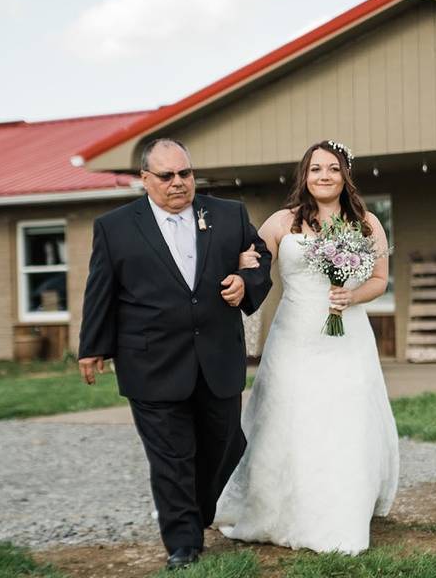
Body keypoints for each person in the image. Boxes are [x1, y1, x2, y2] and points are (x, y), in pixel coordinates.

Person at [76, 139, 272, 570]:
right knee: (171, 455)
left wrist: (244, 282)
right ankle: (183, 542)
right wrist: (92, 346)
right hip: (151, 360)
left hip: (217, 356)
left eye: (185, 173)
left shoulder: (228, 214)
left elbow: (260, 259)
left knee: (224, 444)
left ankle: (198, 512)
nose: (179, 183)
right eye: (167, 176)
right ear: (145, 180)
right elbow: (100, 290)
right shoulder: (115, 227)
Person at [215, 140, 399, 555]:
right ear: (304, 175)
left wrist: (351, 297)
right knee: (289, 417)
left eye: (332, 168)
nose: (324, 176)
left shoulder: (366, 223)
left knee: (344, 420)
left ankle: (339, 515)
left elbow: (378, 280)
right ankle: (277, 509)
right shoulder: (282, 222)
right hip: (294, 337)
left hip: (347, 337)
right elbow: (252, 261)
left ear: (345, 175)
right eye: (315, 168)